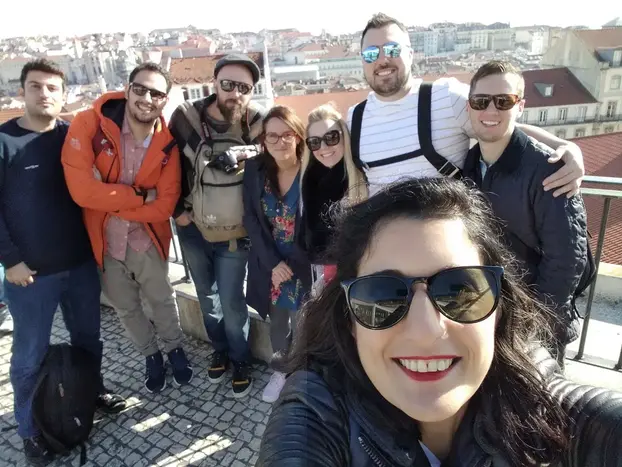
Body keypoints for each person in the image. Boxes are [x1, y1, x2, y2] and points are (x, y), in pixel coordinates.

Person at [257, 178, 622, 467]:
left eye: (459, 291)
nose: (426, 331)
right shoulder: (316, 412)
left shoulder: (550, 412)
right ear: (349, 320)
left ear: (499, 310)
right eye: (382, 296)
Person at [0, 59, 126, 465]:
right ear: (22, 92)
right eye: (36, 86)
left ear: (63, 95)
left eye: (53, 88)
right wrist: (10, 261)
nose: (45, 94)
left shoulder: (73, 138)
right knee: (29, 354)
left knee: (88, 339)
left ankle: (91, 391)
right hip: (30, 274)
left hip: (80, 265)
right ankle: (29, 430)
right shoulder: (4, 142)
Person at [348, 13, 585, 197]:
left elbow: (504, 128)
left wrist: (566, 147)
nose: (382, 60)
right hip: (383, 241)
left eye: (392, 49)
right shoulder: (354, 119)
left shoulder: (445, 97)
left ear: (410, 54)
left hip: (445, 239)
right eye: (371, 54)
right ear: (362, 61)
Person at [62, 62, 192, 394]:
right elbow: (81, 192)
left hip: (146, 239)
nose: (147, 98)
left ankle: (175, 348)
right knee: (126, 307)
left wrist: (106, 196)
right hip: (104, 241)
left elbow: (165, 206)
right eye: (140, 89)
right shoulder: (89, 125)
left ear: (165, 100)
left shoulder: (167, 144)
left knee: (162, 300)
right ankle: (151, 355)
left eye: (156, 93)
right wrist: (140, 195)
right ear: (127, 89)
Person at [462, 60, 589, 367]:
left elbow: (566, 259)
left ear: (520, 106)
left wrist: (538, 325)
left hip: (534, 323)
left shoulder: (549, 169)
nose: (490, 110)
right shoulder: (470, 165)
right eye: (481, 101)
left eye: (503, 101)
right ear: (470, 107)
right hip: (489, 313)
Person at [169, 54, 265, 398]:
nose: (235, 93)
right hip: (191, 226)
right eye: (228, 84)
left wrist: (248, 152)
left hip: (235, 232)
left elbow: (279, 151)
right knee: (207, 298)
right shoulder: (186, 118)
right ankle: (220, 349)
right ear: (214, 83)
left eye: (244, 88)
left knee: (231, 300)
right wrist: (177, 212)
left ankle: (241, 359)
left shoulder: (256, 121)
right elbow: (167, 167)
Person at [243, 106, 312, 403]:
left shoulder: (312, 170)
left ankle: (303, 374)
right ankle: (281, 371)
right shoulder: (255, 170)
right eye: (272, 135)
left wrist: (290, 264)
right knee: (279, 322)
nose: (280, 141)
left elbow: (317, 223)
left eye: (287, 134)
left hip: (304, 262)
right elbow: (251, 219)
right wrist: (274, 264)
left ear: (298, 136)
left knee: (306, 321)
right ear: (264, 140)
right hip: (270, 263)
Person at [301, 103, 367, 291]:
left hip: (360, 277)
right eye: (315, 142)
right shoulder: (309, 180)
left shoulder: (364, 177)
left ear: (344, 137)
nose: (323, 147)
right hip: (325, 277)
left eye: (331, 137)